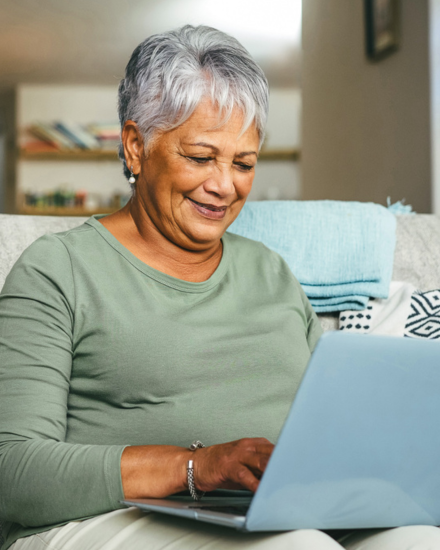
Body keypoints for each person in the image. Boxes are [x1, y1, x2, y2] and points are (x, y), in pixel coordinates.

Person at [0, 25, 439, 550]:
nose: (225, 186)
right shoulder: (59, 269)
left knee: (418, 538)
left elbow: (330, 427)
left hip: (275, 512)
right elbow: (12, 467)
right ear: (136, 147)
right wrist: (196, 466)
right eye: (201, 157)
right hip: (106, 517)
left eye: (244, 163)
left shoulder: (272, 273)